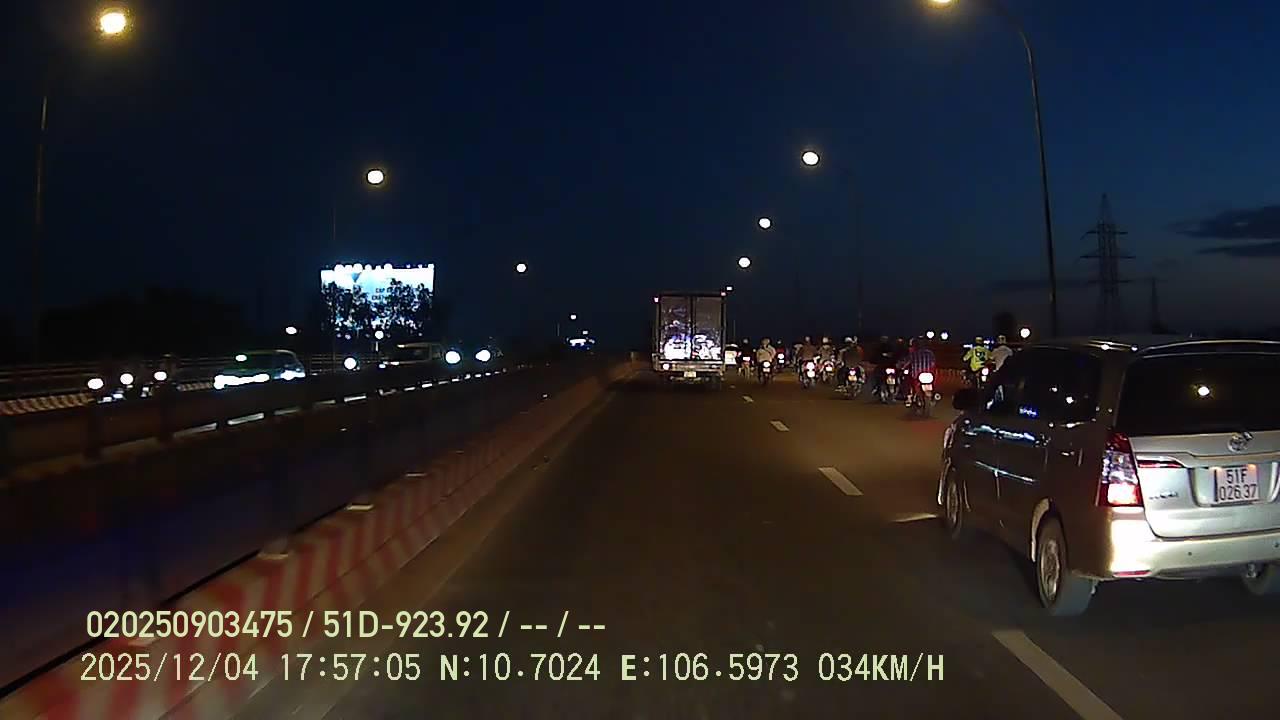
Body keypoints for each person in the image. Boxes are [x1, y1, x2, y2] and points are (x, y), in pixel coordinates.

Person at [900, 337, 938, 404]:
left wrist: (902, 367)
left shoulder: (913, 354)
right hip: (929, 375)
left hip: (916, 375)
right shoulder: (930, 353)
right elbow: (933, 363)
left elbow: (906, 363)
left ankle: (909, 396)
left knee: (908, 382)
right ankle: (933, 395)